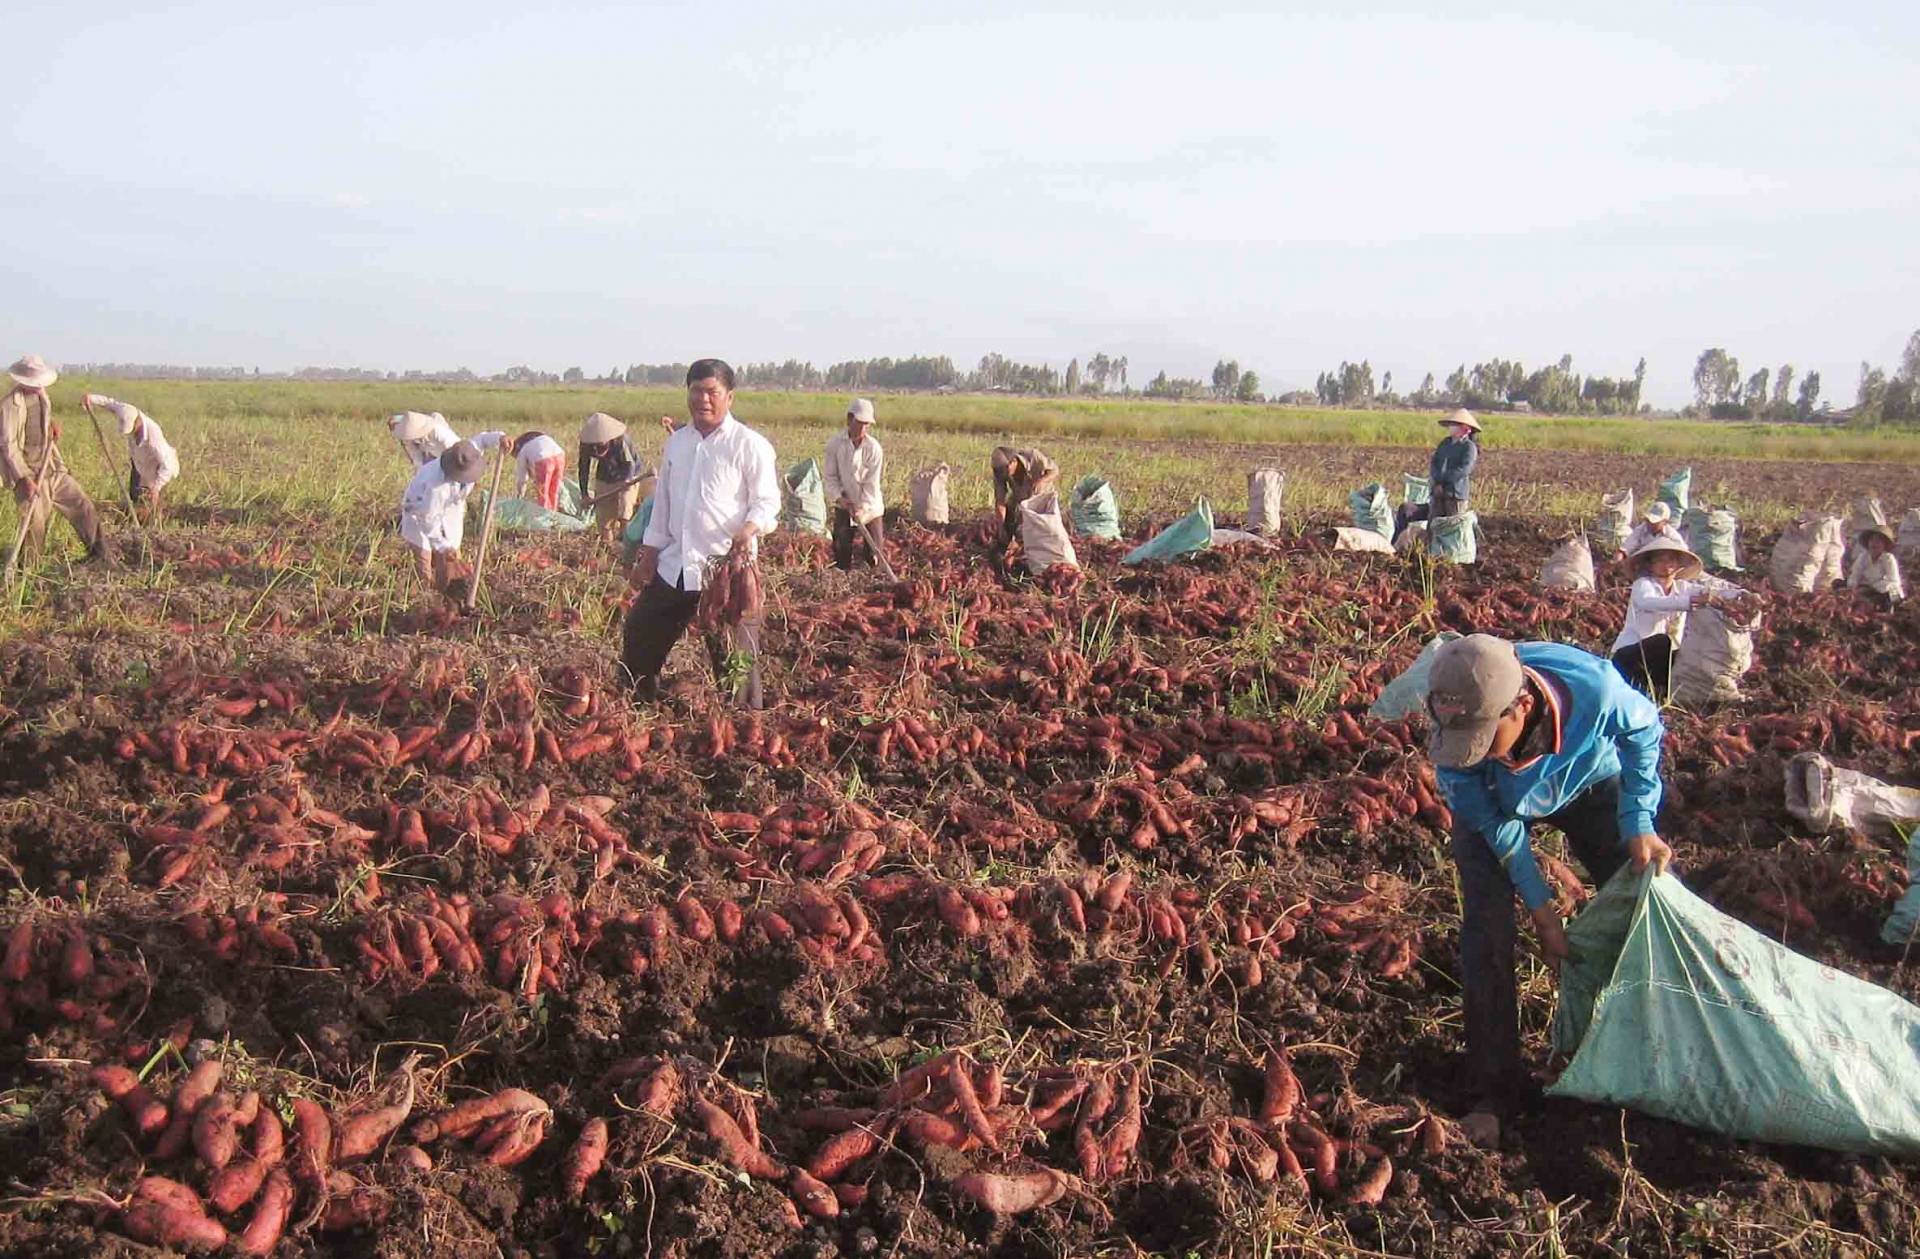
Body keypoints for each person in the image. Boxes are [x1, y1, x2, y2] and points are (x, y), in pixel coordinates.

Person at [1426, 633, 1673, 1150]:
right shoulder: (1457, 748)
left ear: (1521, 706)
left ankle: (1657, 1051)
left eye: (1483, 736)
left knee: (1645, 896)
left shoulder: (1596, 690)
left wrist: (1638, 819)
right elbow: (1496, 828)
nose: (1469, 753)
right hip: (1497, 807)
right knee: (1486, 931)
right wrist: (1541, 910)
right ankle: (1494, 1088)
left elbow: (1644, 731)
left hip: (1587, 780)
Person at [622, 360, 780, 708]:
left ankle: (742, 718)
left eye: (712, 392)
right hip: (675, 563)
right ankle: (638, 702)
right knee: (640, 631)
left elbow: (768, 502)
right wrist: (648, 556)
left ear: (730, 397)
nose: (703, 399)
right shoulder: (678, 443)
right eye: (696, 391)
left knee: (734, 654)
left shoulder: (749, 445)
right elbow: (661, 504)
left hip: (726, 569)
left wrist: (749, 527)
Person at [1, 354, 109, 566]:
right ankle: (29, 571)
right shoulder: (8, 406)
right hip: (28, 474)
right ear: (21, 380)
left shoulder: (42, 395)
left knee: (82, 505)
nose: (37, 385)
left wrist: (52, 426)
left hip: (51, 467)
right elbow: (8, 446)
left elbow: (42, 421)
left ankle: (101, 555)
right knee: (35, 525)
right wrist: (24, 479)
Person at [1609, 535, 1743, 698]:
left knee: (1687, 656)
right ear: (1650, 565)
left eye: (1671, 559)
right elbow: (1649, 602)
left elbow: (1715, 591)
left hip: (1659, 660)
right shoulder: (1643, 585)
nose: (1666, 564)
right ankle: (1649, 690)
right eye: (1660, 560)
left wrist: (1741, 595)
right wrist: (1690, 601)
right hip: (1629, 656)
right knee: (1662, 641)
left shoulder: (1683, 587)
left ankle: (1663, 692)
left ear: (1679, 565)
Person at [399, 432, 507, 591]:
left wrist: (500, 438)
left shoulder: (467, 454)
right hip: (418, 513)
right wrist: (443, 546)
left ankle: (444, 592)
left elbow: (482, 439)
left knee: (449, 563)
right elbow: (428, 521)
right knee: (424, 560)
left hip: (448, 514)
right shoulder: (437, 486)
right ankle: (427, 596)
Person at [84, 392, 179, 526]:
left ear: (138, 421)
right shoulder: (125, 410)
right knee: (135, 494)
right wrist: (92, 398)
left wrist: (157, 486)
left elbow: (167, 466)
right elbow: (110, 403)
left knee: (150, 498)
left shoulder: (154, 437)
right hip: (139, 462)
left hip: (157, 467)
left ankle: (154, 524)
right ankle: (135, 522)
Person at [824, 398, 891, 575]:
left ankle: (873, 583)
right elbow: (830, 478)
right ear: (849, 419)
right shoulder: (835, 444)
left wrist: (862, 510)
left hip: (871, 507)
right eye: (858, 423)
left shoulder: (874, 449)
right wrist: (841, 499)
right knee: (842, 549)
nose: (862, 429)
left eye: (866, 424)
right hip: (844, 503)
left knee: (874, 553)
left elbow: (872, 485)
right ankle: (842, 582)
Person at [1395, 409, 1479, 540]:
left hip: (1455, 494)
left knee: (1452, 527)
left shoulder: (1469, 447)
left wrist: (1443, 483)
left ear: (1465, 428)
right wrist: (1436, 480)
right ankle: (1431, 551)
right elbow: (1434, 463)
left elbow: (1464, 470)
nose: (1451, 428)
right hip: (1438, 491)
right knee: (1433, 525)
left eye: (1455, 425)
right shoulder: (1445, 443)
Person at [578, 412, 647, 542]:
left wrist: (626, 482)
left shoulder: (621, 440)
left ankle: (625, 540)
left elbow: (629, 464)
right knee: (604, 515)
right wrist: (584, 494)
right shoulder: (586, 445)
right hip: (605, 474)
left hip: (629, 474)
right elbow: (583, 468)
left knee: (625, 509)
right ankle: (607, 544)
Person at [990, 445, 1060, 545]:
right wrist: (1001, 528)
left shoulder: (1032, 456)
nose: (1002, 473)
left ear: (1014, 461)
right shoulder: (999, 473)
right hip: (1021, 499)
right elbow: (1000, 501)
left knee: (1046, 530)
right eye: (999, 471)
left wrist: (1041, 481)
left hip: (1043, 497)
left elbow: (1054, 471)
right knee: (1013, 524)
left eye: (1005, 469)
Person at [1847, 522, 1906, 608]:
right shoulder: (1863, 556)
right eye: (1872, 541)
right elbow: (1855, 575)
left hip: (1882, 591)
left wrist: (1872, 588)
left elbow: (1894, 581)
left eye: (1878, 541)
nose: (1874, 544)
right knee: (1838, 584)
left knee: (1883, 598)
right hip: (1864, 589)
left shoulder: (1888, 558)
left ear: (1884, 545)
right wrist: (1854, 586)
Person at [508, 430, 566, 510]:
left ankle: (544, 515)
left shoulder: (522, 451)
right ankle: (554, 514)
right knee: (554, 491)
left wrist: (520, 496)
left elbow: (522, 478)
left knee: (543, 492)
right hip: (560, 456)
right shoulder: (536, 440)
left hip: (544, 460)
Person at [389, 410, 462, 470]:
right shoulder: (409, 438)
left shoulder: (440, 432)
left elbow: (458, 451)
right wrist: (426, 469)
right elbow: (416, 457)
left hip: (455, 463)